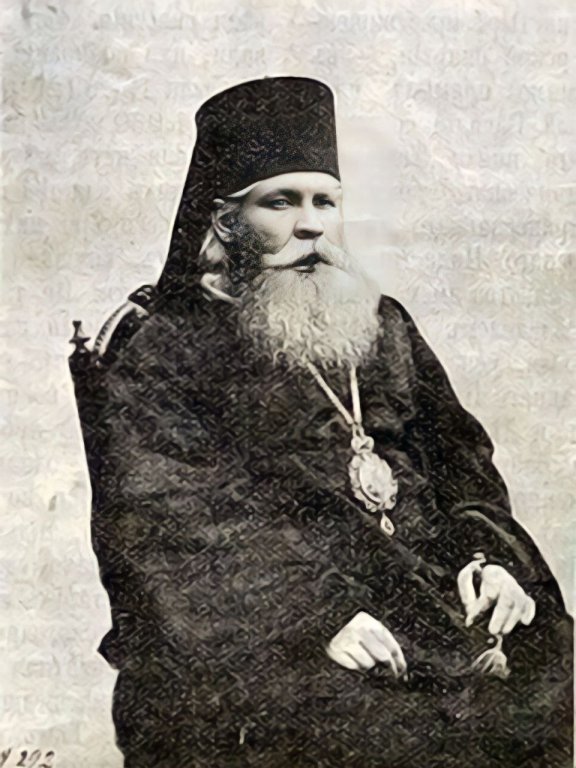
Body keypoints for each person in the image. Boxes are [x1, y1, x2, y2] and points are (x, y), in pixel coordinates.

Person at [70, 77, 572, 767]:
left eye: (325, 202)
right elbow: (169, 525)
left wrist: (487, 560)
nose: (311, 225)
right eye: (281, 202)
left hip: (424, 600)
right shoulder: (166, 348)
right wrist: (313, 618)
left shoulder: (383, 325)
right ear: (226, 222)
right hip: (261, 628)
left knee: (551, 662)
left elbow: (464, 465)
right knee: (374, 728)